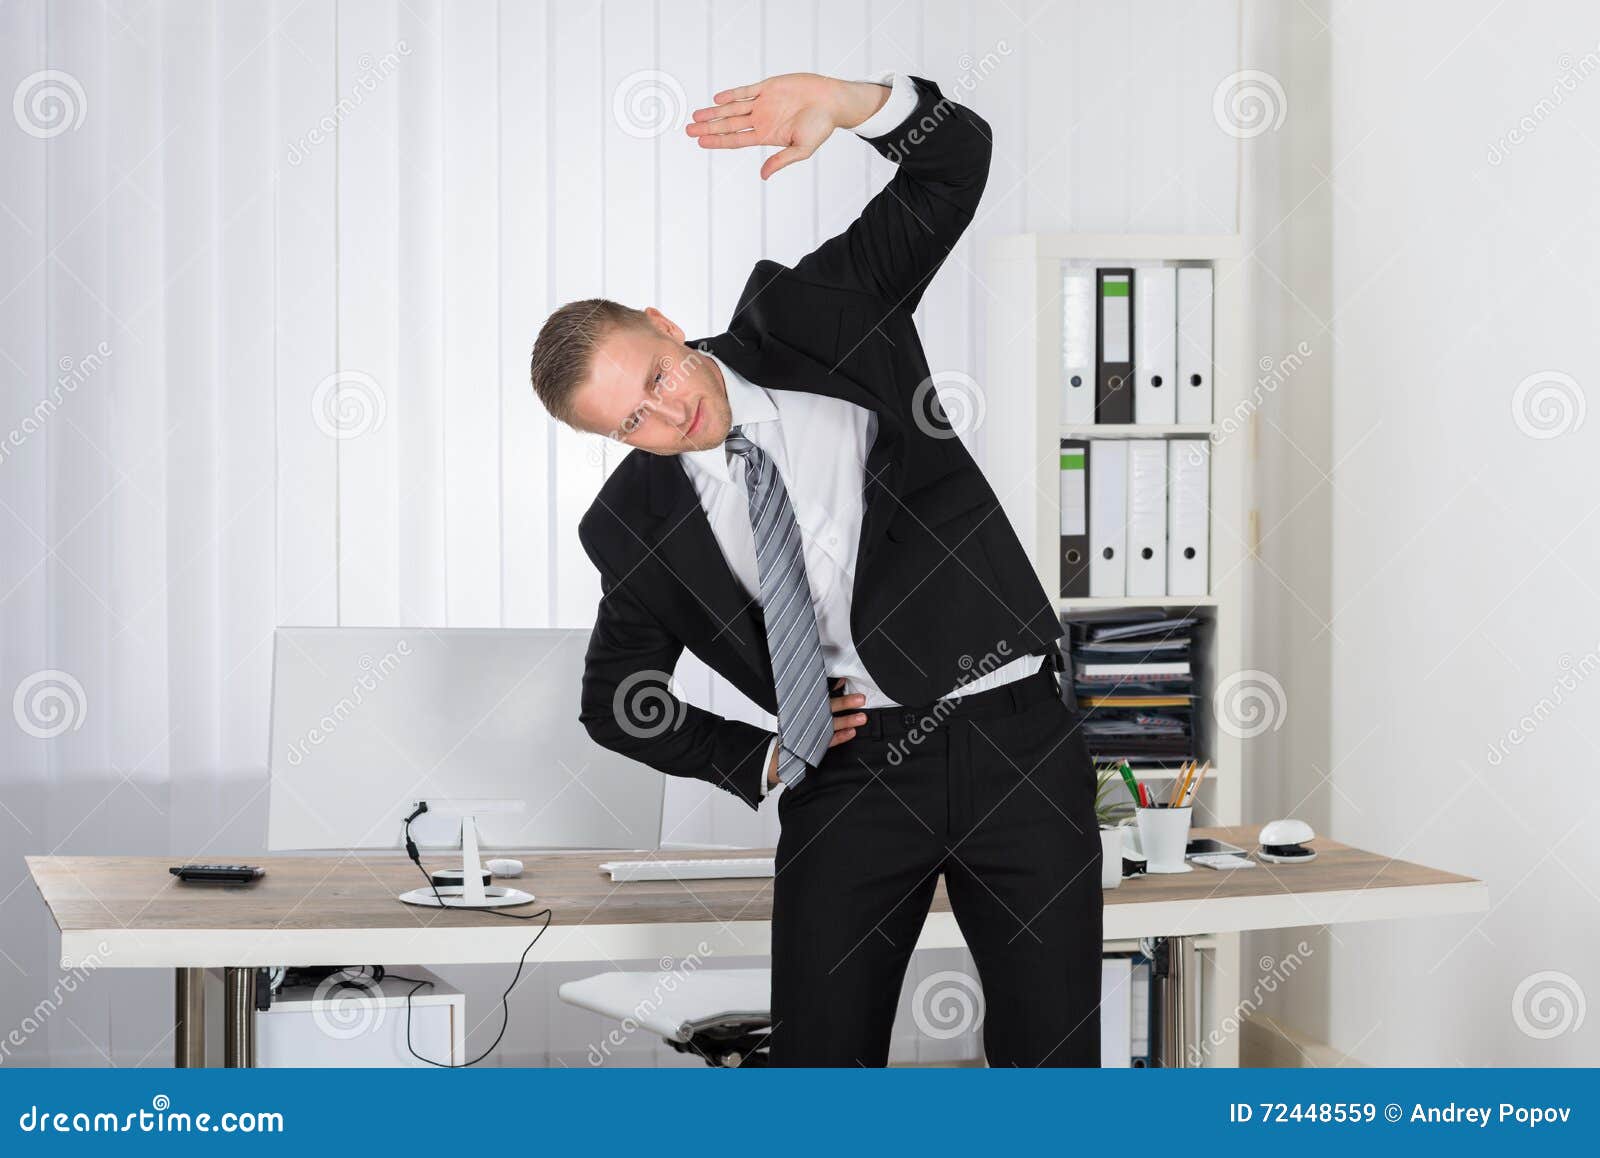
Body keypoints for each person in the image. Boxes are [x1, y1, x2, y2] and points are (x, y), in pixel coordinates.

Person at [528, 70, 1102, 1067]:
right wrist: (756, 755)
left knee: (1052, 1063)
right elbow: (618, 697)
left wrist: (852, 105)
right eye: (630, 421)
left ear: (665, 325)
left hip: (1018, 743)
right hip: (853, 777)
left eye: (656, 379)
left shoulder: (822, 313)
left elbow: (952, 164)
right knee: (817, 1073)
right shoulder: (633, 522)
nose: (668, 418)